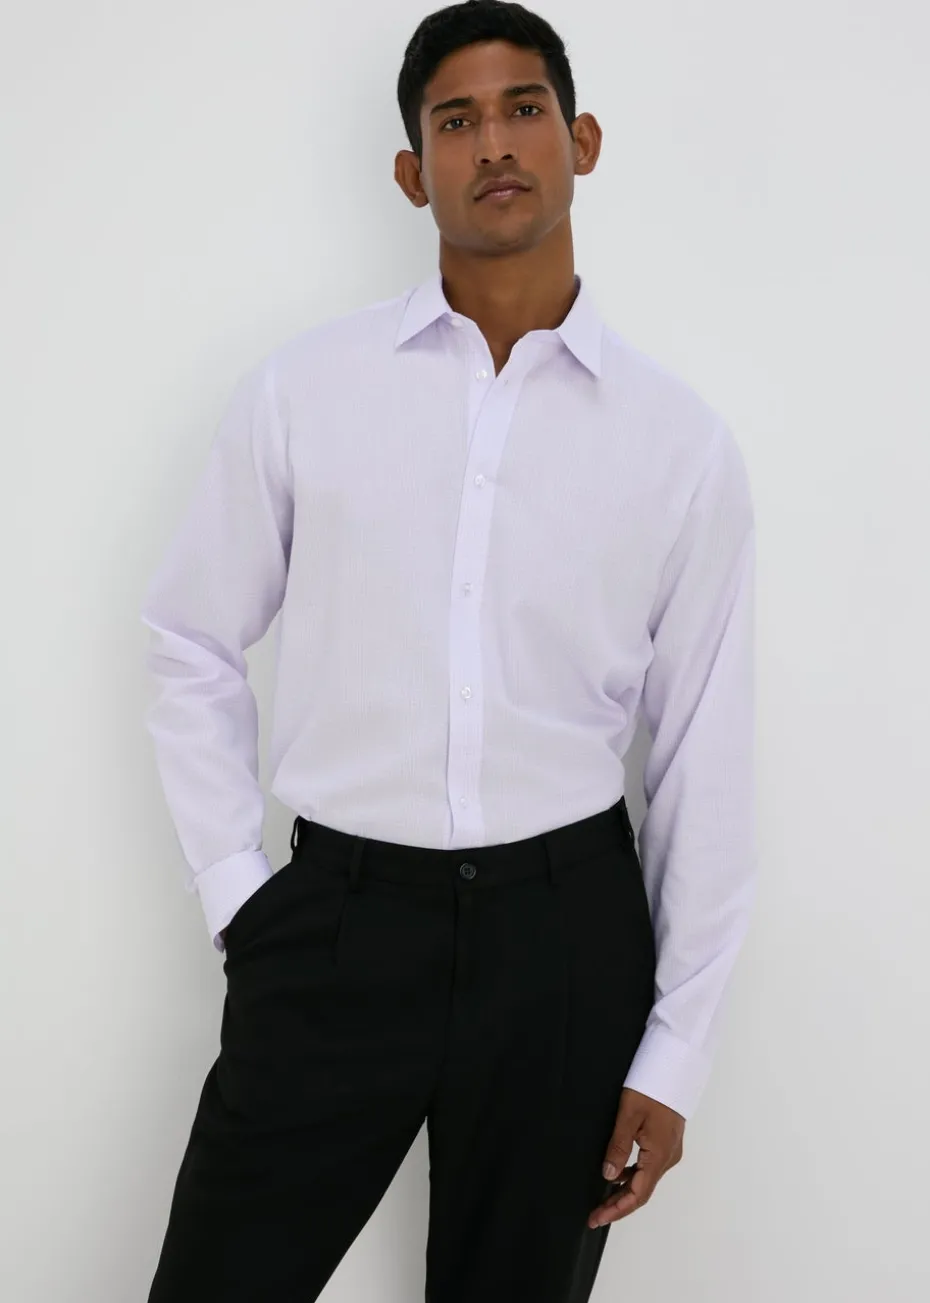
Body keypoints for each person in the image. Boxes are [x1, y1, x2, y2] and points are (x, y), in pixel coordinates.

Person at [141, 2, 756, 1299]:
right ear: (412, 172)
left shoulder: (677, 444)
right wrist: (241, 896)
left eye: (524, 108)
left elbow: (705, 750)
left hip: (566, 944)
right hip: (336, 928)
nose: (496, 144)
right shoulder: (304, 392)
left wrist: (674, 1050)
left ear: (582, 141)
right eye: (456, 121)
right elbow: (190, 635)